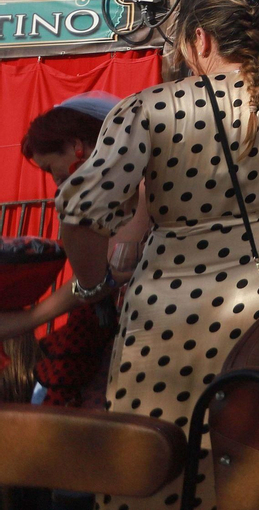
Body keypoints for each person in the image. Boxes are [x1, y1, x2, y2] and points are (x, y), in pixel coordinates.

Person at [54, 0, 259, 510]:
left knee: (155, 459)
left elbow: (80, 210)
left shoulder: (148, 109)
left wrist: (93, 286)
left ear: (200, 40)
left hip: (165, 312)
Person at [2, 93, 151, 408]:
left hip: (144, 338)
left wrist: (31, 318)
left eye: (51, 167)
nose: (56, 180)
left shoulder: (139, 187)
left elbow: (109, 274)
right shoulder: (123, 191)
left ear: (76, 146)